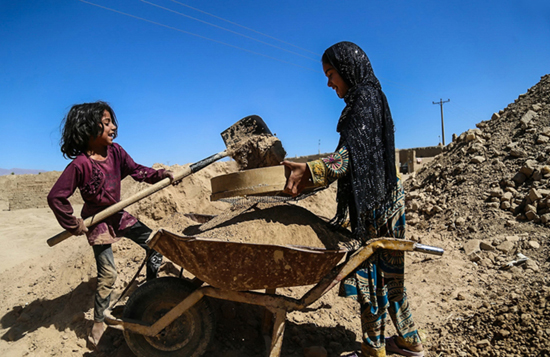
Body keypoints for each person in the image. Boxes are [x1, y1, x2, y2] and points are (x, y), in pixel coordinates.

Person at [283, 42, 424, 357]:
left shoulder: (364, 101)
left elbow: (349, 158)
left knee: (371, 277)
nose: (329, 82)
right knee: (391, 279)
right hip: (387, 199)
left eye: (331, 73)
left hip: (376, 207)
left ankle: (374, 348)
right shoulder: (374, 97)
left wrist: (312, 170)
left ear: (347, 70)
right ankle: (409, 341)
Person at [47, 101, 177, 348]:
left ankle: (150, 294)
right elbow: (56, 197)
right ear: (87, 128)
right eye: (106, 122)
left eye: (112, 121)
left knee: (156, 245)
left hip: (119, 216)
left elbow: (138, 171)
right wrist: (72, 223)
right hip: (98, 224)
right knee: (108, 274)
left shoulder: (116, 152)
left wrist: (160, 175)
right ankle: (99, 322)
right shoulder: (81, 165)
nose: (114, 126)